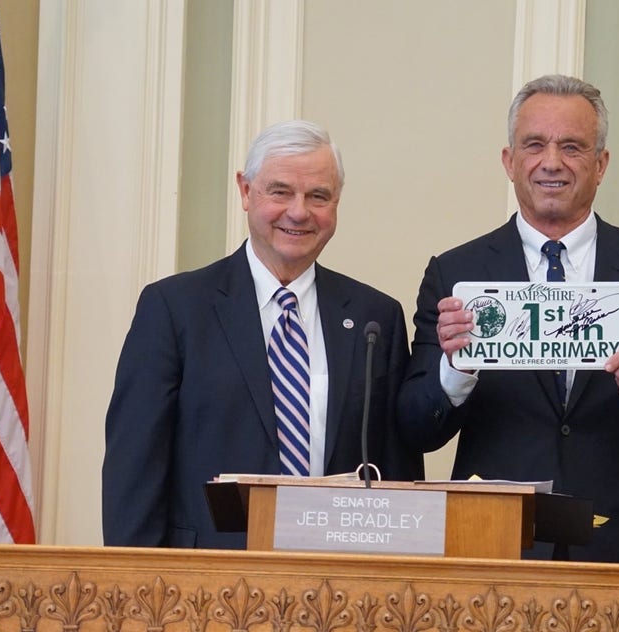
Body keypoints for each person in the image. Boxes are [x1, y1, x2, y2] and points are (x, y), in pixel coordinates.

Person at [397, 74, 619, 564]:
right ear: (510, 162)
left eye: (572, 147)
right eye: (534, 145)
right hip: (493, 543)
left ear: (601, 164)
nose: (551, 162)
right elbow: (414, 427)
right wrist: (456, 371)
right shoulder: (456, 273)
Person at [104, 120, 420, 549]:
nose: (299, 211)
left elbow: (395, 474)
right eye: (280, 191)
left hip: (341, 585)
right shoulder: (174, 308)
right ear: (245, 191)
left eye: (318, 196)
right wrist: (135, 591)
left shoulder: (374, 319)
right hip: (204, 585)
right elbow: (134, 466)